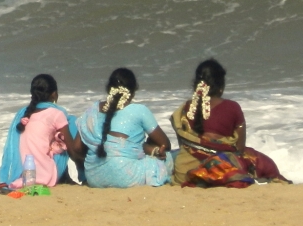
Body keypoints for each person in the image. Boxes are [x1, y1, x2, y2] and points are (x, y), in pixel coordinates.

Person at [170, 59, 288, 187]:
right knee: (262, 161)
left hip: (184, 172)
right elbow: (240, 148)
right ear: (221, 86)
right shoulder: (232, 107)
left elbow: (184, 145)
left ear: (196, 85)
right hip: (220, 171)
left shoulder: (184, 109)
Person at [75, 67, 173, 188]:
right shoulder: (139, 110)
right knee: (167, 157)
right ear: (132, 92)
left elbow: (77, 147)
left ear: (108, 89)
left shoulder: (92, 110)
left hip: (94, 177)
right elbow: (165, 144)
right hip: (126, 177)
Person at [0, 74, 83, 187]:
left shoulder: (22, 113)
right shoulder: (57, 114)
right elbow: (73, 153)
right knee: (72, 122)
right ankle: (66, 177)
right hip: (45, 174)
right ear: (54, 95)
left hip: (22, 173)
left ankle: (65, 176)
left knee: (57, 134)